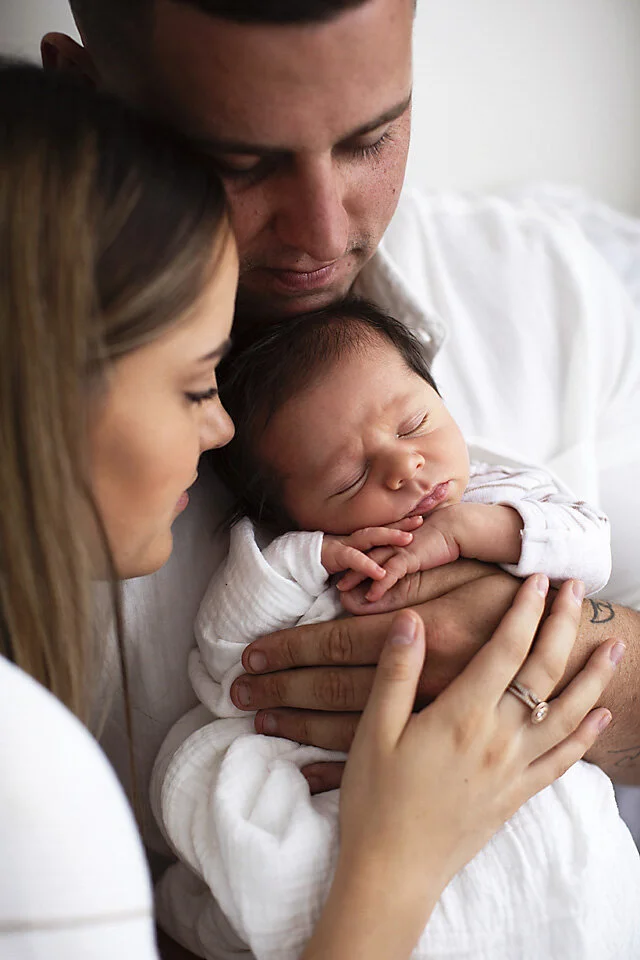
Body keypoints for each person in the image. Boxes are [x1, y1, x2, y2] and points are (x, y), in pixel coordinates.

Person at [0, 62, 620, 960]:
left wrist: (557, 626)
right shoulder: (40, 785)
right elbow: (237, 661)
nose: (322, 227)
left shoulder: (548, 288)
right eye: (191, 387)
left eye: (372, 137)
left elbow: (583, 539)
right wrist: (397, 857)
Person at [149, 301, 639, 959]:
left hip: (529, 775)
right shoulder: (311, 559)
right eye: (350, 478)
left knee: (569, 871)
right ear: (295, 514)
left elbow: (590, 544)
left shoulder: (499, 492)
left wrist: (481, 529)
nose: (404, 467)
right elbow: (226, 653)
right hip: (363, 802)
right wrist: (308, 560)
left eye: (415, 424)